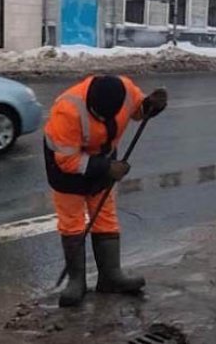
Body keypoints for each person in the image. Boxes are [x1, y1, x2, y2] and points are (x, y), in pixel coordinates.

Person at [43, 75, 168, 307]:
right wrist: (107, 167)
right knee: (73, 221)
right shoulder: (67, 110)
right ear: (91, 105)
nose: (105, 120)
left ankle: (110, 277)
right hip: (65, 165)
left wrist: (151, 106)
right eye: (99, 116)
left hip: (103, 156)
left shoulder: (126, 90)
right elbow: (68, 161)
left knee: (104, 216)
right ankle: (77, 282)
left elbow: (139, 111)